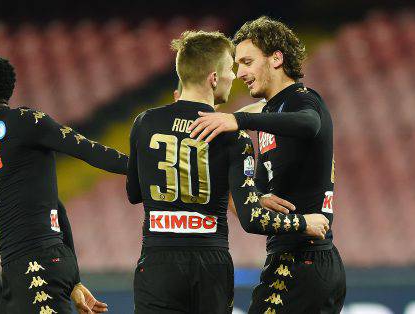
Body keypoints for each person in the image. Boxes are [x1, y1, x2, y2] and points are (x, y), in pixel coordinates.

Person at [127, 30, 329, 314]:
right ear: (213, 78)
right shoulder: (233, 136)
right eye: (230, 70)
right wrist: (302, 223)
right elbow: (251, 218)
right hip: (211, 263)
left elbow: (134, 193)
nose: (234, 76)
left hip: (157, 261)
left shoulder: (145, 123)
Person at [188, 17, 346, 313]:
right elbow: (260, 191)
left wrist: (239, 120)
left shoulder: (303, 100)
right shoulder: (273, 115)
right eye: (237, 65)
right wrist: (255, 196)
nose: (240, 73)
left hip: (303, 261)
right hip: (298, 260)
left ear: (276, 58)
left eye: (247, 62)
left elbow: (310, 124)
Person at [0, 54, 128, 313]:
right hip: (17, 270)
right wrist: (74, 279)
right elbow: (58, 207)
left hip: (37, 262)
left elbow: (88, 150)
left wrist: (144, 167)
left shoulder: (24, 121)